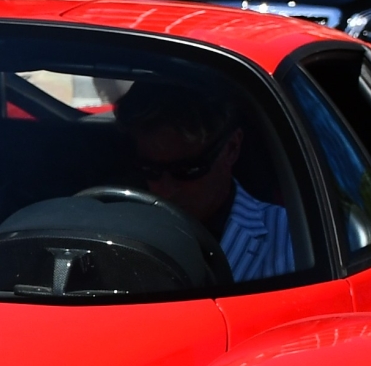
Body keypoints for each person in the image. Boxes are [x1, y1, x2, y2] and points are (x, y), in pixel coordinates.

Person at [115, 78, 296, 283]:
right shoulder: (114, 230)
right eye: (151, 170)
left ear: (231, 149)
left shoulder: (290, 241)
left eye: (187, 170)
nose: (165, 190)